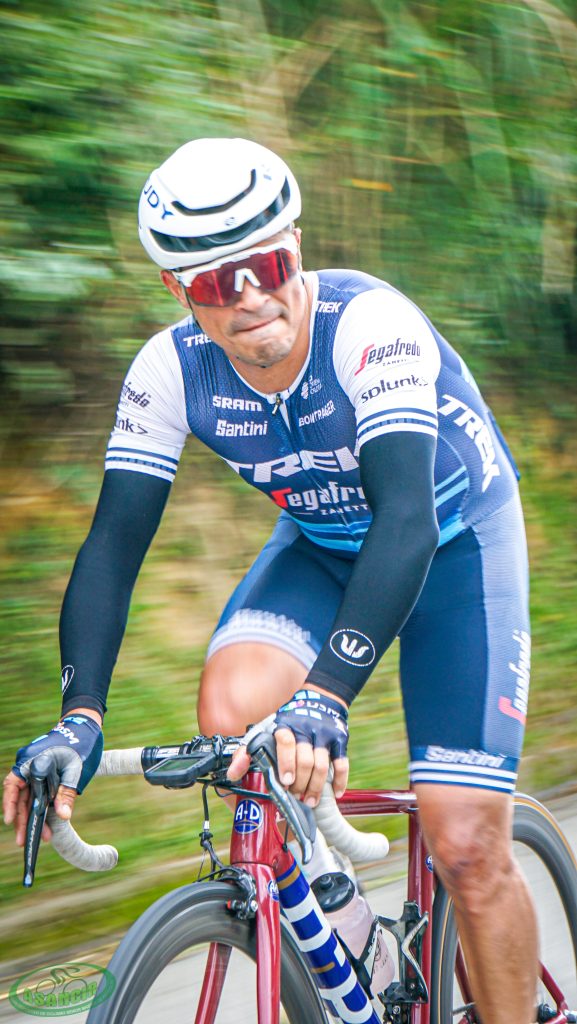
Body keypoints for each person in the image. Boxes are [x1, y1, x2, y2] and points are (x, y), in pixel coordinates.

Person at [3, 138, 537, 1021]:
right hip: (322, 547)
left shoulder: (370, 326)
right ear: (178, 292)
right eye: (218, 283)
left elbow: (404, 521)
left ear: (296, 244)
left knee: (465, 845)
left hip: (453, 543)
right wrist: (79, 716)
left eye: (269, 266)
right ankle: (351, 931)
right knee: (231, 714)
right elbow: (111, 549)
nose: (250, 296)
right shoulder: (170, 370)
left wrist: (326, 694)